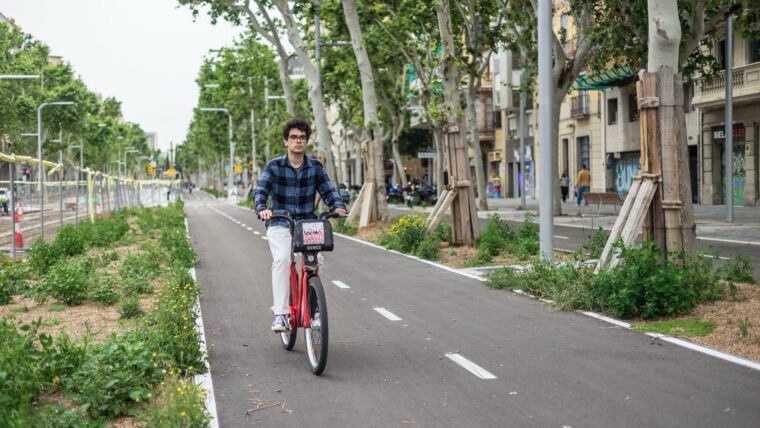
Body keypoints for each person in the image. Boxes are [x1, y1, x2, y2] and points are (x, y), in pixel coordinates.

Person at [254, 118, 346, 332]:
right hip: (280, 222)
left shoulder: (315, 167)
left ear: (306, 141)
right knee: (282, 259)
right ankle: (281, 314)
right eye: (293, 137)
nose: (298, 141)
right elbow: (260, 191)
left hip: (307, 223)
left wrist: (337, 205)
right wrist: (262, 208)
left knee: (314, 261)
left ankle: (313, 306)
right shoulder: (274, 166)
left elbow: (328, 189)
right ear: (286, 141)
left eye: (302, 137)